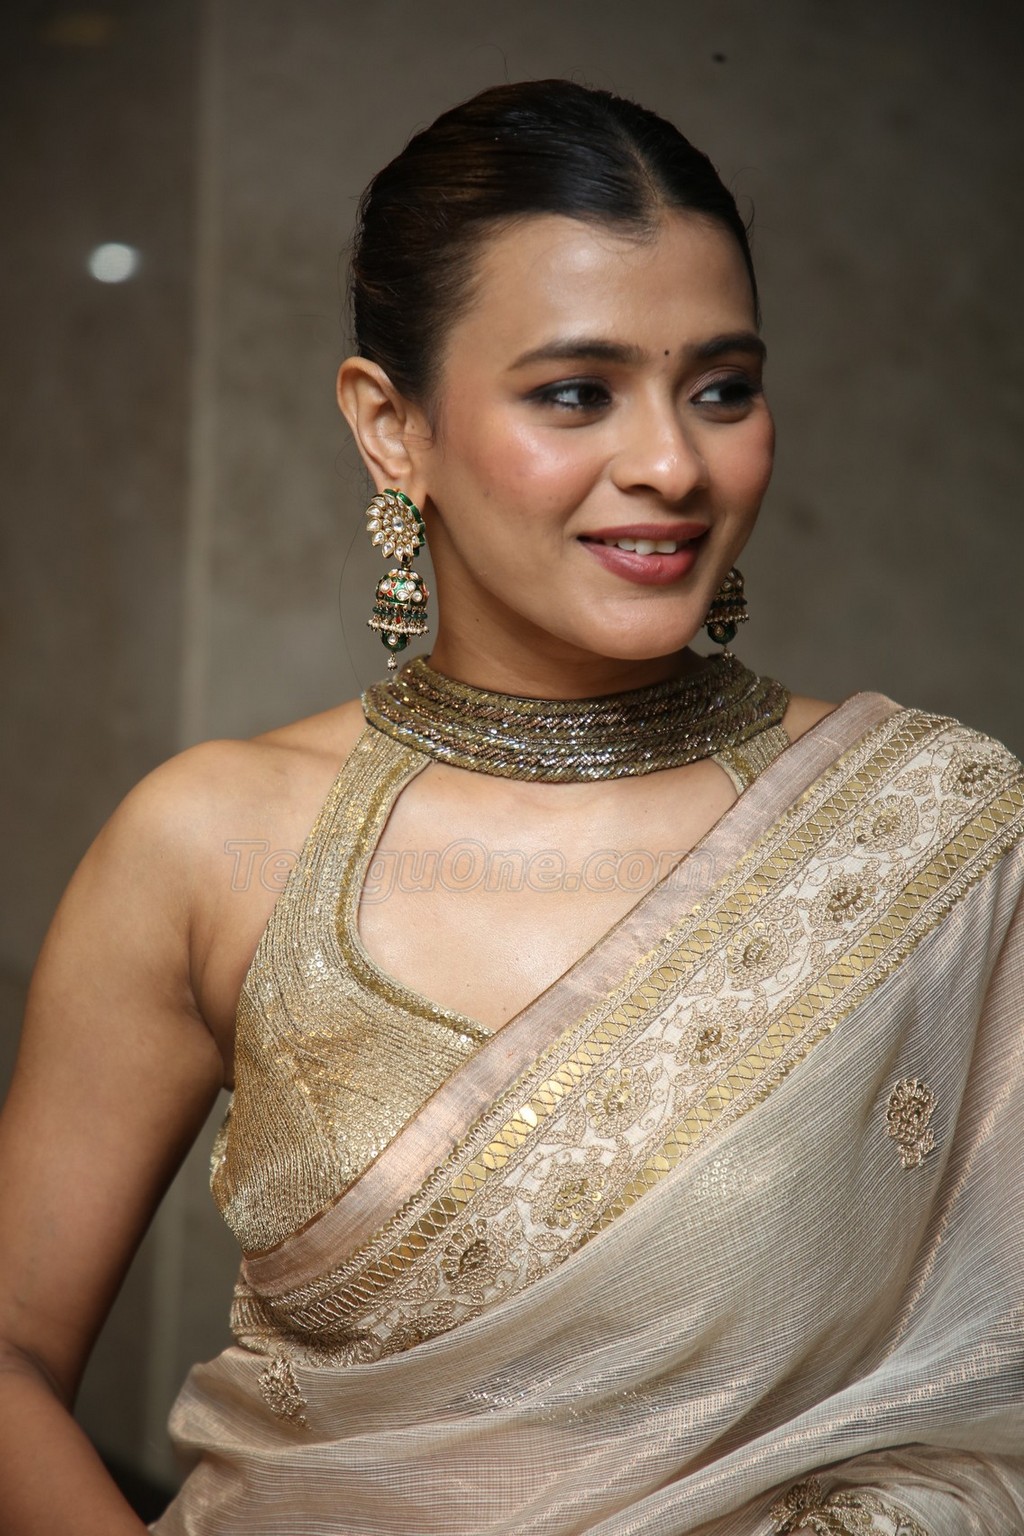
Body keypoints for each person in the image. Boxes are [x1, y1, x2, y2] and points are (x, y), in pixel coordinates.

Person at [0, 78, 1021, 1536]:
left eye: (721, 388)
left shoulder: (931, 828)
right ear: (391, 427)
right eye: (574, 393)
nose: (671, 464)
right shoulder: (212, 843)